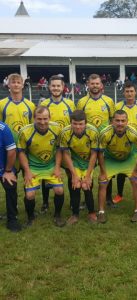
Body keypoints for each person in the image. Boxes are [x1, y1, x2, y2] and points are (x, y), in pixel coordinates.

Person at [17, 106, 65, 227]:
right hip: (33, 167)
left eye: (45, 118)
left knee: (59, 190)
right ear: (34, 118)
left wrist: (57, 167)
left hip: (51, 166)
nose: (42, 122)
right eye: (39, 119)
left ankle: (57, 215)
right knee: (30, 195)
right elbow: (21, 152)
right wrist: (27, 171)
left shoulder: (57, 129)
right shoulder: (25, 132)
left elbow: (59, 149)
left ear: (49, 117)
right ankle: (30, 217)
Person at [98, 110, 137, 223]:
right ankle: (101, 212)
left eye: (123, 121)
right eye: (117, 120)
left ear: (127, 122)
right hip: (111, 160)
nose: (120, 123)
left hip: (127, 160)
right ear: (112, 121)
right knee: (102, 182)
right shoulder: (105, 133)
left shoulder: (133, 133)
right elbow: (100, 154)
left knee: (135, 181)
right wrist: (103, 172)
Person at [77, 73, 115, 207]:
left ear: (101, 85)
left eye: (97, 83)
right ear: (88, 85)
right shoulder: (82, 102)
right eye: (92, 84)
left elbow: (112, 121)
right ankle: (88, 199)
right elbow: (79, 121)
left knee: (106, 171)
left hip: (105, 143)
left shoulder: (109, 101)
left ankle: (109, 198)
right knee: (90, 171)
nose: (94, 86)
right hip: (88, 144)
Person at [39, 75, 76, 213]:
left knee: (70, 173)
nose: (55, 88)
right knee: (47, 174)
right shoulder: (44, 105)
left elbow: (74, 124)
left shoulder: (70, 104)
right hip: (49, 146)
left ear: (63, 87)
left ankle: (73, 201)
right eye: (53, 86)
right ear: (49, 87)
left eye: (58, 86)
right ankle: (45, 202)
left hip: (66, 147)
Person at [112, 82, 137, 204]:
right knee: (121, 170)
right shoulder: (117, 106)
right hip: (122, 143)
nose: (129, 93)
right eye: (127, 91)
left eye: (131, 91)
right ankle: (119, 194)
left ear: (135, 92)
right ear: (123, 92)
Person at [60, 110, 98, 225]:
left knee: (86, 185)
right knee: (75, 185)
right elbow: (66, 154)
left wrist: (87, 176)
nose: (77, 126)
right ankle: (75, 214)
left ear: (85, 123)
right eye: (75, 123)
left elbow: (94, 154)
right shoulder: (65, 133)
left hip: (88, 162)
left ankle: (91, 212)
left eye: (81, 124)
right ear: (71, 123)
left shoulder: (93, 132)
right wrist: (74, 175)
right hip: (75, 162)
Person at [0, 73, 35, 143]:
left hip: (25, 143)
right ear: (8, 85)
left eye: (18, 82)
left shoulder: (31, 105)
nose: (16, 85)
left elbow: (33, 127)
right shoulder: (1, 104)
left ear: (22, 85)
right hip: (7, 144)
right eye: (13, 82)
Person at [0, 122, 22, 232]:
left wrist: (8, 171)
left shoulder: (3, 129)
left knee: (10, 185)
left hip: (3, 168)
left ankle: (12, 218)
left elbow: (12, 151)